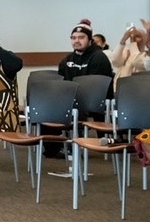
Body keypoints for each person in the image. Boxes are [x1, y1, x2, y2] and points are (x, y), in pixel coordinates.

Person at [44, 19, 114, 158]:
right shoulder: (68, 60)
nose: (77, 41)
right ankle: (55, 148)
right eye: (73, 38)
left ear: (90, 40)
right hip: (73, 99)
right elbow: (61, 81)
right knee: (47, 107)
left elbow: (96, 87)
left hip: (95, 100)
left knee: (74, 106)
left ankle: (76, 143)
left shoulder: (99, 58)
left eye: (81, 37)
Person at [108, 24, 148, 91]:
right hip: (120, 90)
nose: (134, 39)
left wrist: (133, 44)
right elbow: (115, 62)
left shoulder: (146, 54)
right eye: (132, 36)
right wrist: (123, 40)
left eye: (138, 36)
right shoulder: (127, 51)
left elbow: (136, 62)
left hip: (138, 91)